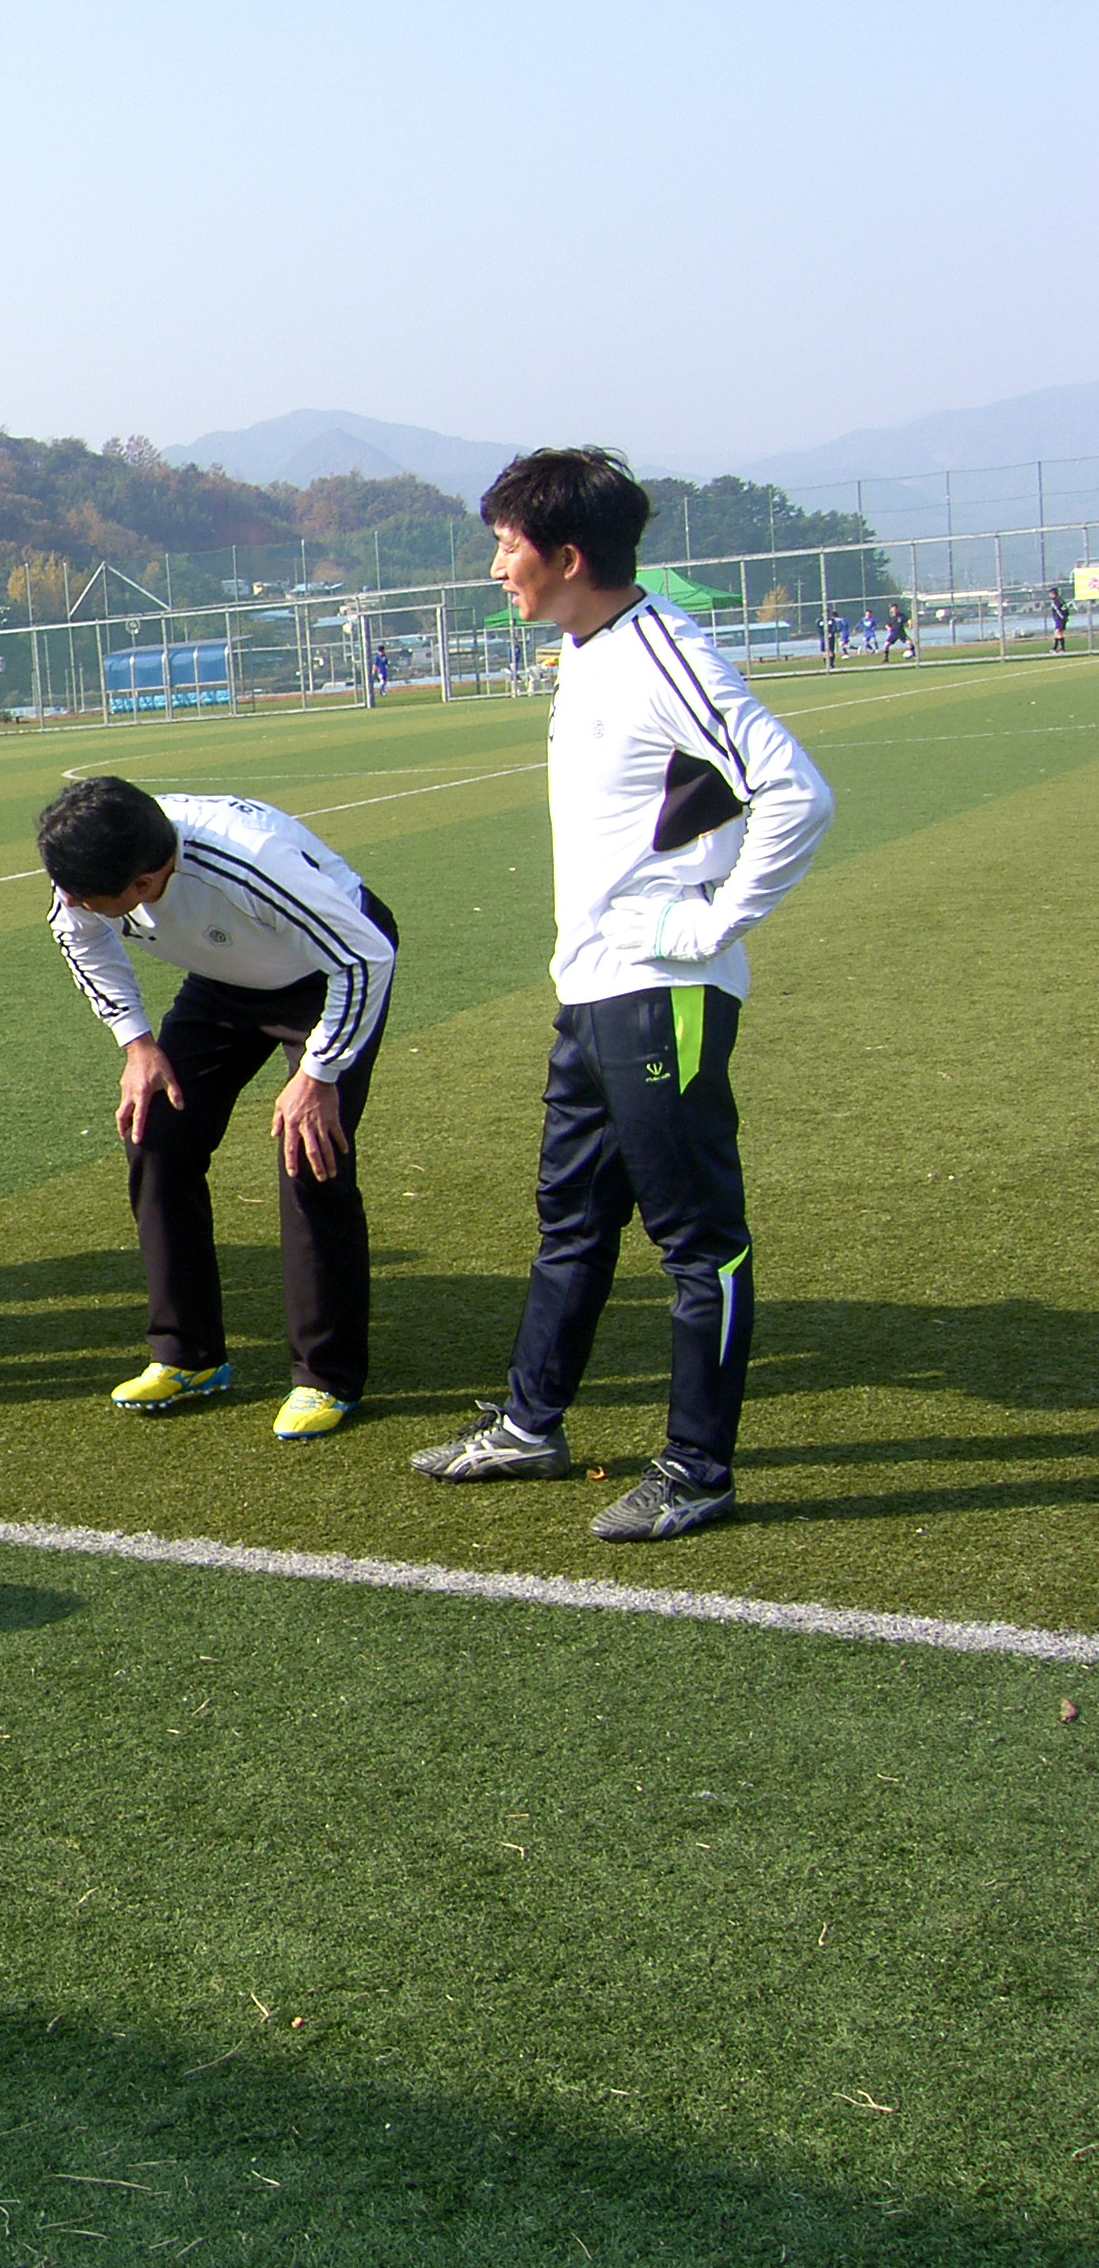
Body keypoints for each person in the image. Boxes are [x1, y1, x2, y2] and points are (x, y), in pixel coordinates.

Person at [414, 449, 832, 1542]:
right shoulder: (582, 651)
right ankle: (529, 1422)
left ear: (566, 556)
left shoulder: (661, 652)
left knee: (700, 1243)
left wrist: (710, 921)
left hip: (664, 992)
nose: (495, 564)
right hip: (592, 990)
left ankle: (699, 1470)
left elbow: (795, 789)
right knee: (573, 1220)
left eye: (507, 544)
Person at [37, 776, 399, 1439]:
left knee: (309, 1153)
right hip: (228, 981)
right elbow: (82, 940)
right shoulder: (85, 864)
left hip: (327, 973)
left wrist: (319, 1073)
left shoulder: (252, 863)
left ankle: (326, 1376)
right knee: (156, 1131)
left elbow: (365, 955)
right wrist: (137, 1044)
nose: (71, 904)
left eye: (88, 899)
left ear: (146, 883)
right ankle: (188, 1355)